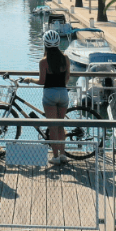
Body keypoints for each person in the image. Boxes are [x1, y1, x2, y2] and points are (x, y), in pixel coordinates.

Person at [22, 30, 70, 164]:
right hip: (63, 93)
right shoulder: (65, 58)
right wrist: (61, 86)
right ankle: (63, 155)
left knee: (53, 126)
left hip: (50, 94)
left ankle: (55, 157)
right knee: (61, 125)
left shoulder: (43, 61)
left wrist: (30, 80)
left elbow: (42, 81)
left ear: (45, 45)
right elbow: (67, 77)